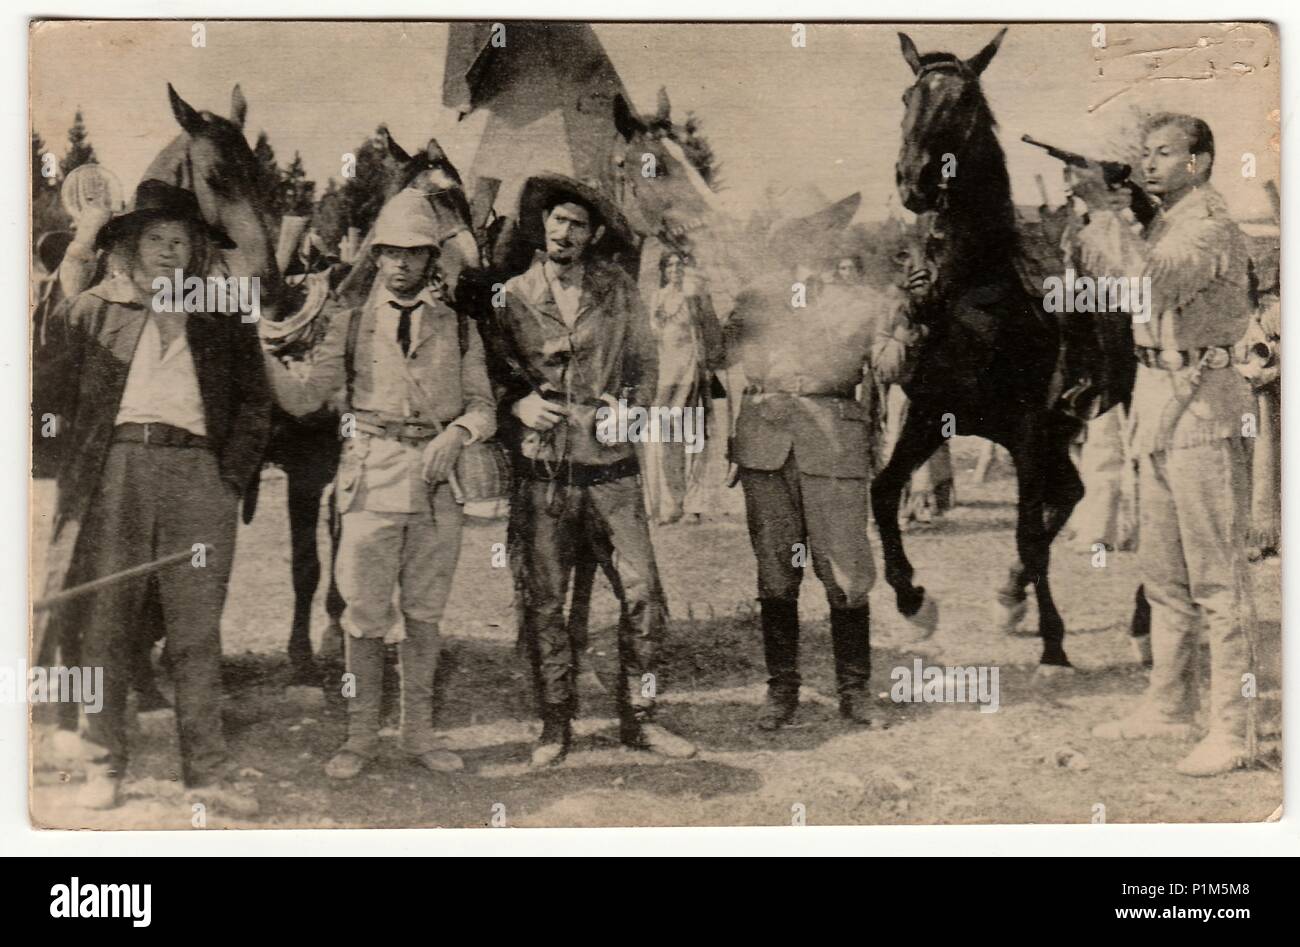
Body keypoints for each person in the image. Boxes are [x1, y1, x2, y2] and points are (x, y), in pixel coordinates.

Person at [39, 179, 272, 813]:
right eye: (155, 238)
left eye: (180, 239)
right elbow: (48, 396)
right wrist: (71, 477)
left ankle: (208, 775)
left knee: (196, 633)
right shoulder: (92, 311)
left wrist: (228, 480)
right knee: (107, 625)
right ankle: (103, 764)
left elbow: (255, 406)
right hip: (117, 473)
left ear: (196, 250)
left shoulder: (222, 314)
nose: (169, 249)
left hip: (198, 477)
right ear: (132, 246)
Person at [263, 188, 496, 778]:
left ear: (429, 260)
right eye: (390, 253)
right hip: (369, 482)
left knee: (423, 615)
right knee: (363, 618)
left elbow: (484, 406)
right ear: (377, 256)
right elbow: (301, 398)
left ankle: (418, 734)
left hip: (438, 488)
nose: (400, 264)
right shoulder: (348, 322)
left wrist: (458, 434)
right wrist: (258, 345)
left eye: (413, 254)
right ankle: (359, 737)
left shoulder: (460, 327)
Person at [492, 173, 696, 767]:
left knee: (644, 595)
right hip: (546, 475)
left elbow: (645, 363)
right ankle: (555, 723)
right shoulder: (511, 296)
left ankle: (643, 716)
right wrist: (516, 406)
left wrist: (629, 410)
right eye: (557, 221)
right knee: (545, 601)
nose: (565, 232)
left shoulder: (619, 290)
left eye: (578, 224)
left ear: (594, 234)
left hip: (613, 474)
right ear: (543, 228)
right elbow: (492, 376)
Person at [1079, 114, 1258, 776]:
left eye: (1166, 153)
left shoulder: (1208, 224)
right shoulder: (1160, 221)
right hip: (1156, 394)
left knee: (1218, 577)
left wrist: (1112, 213)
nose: (1149, 164)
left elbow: (1152, 282)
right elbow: (1108, 278)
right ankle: (1169, 703)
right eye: (1145, 153)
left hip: (1205, 399)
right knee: (1163, 573)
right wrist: (1102, 213)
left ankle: (1234, 729)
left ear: (1202, 162)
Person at [726, 185, 887, 729]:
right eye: (800, 231)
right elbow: (712, 353)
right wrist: (706, 302)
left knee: (845, 573)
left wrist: (906, 326)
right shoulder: (755, 296)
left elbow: (891, 366)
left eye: (822, 228)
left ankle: (855, 691)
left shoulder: (864, 302)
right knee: (776, 572)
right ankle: (782, 689)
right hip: (765, 448)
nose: (812, 239)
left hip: (833, 447)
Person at [642, 250, 725, 524]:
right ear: (664, 269)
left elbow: (713, 335)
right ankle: (671, 503)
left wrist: (700, 299)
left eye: (681, 263)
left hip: (692, 373)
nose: (676, 268)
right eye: (671, 264)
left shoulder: (696, 296)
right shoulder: (657, 298)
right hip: (665, 376)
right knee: (665, 440)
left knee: (694, 438)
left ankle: (693, 503)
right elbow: (651, 338)